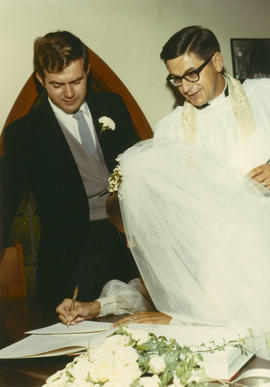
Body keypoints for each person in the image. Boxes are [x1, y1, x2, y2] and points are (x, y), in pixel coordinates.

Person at [56, 26, 270, 360]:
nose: (185, 87)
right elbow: (167, 239)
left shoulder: (262, 96)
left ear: (216, 60)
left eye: (191, 74)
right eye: (175, 79)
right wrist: (103, 304)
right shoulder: (171, 130)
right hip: (216, 271)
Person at [1, 30, 139, 305]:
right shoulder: (24, 133)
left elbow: (140, 169)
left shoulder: (114, 105)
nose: (68, 93)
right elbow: (4, 202)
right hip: (72, 261)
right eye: (56, 84)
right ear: (41, 79)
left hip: (126, 249)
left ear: (87, 70)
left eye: (76, 81)